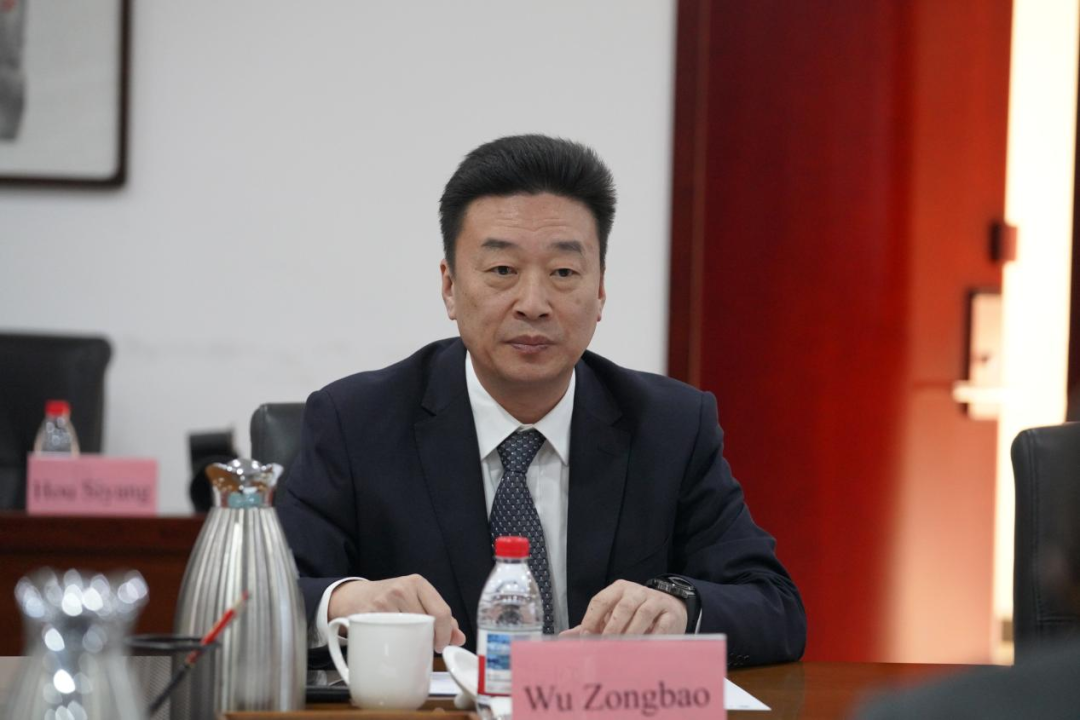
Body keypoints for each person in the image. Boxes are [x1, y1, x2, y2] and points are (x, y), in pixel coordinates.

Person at [276, 134, 806, 667]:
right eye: (502, 271)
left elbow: (775, 607)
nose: (533, 304)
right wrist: (344, 602)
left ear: (600, 292)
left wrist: (680, 609)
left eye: (563, 273)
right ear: (450, 287)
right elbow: (257, 600)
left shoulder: (671, 427)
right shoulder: (356, 422)